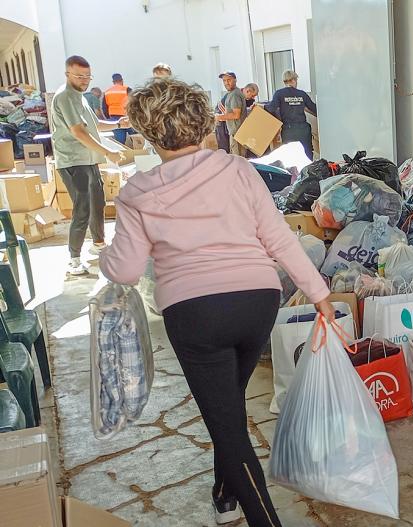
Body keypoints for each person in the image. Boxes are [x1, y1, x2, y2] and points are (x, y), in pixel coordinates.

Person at [99, 77, 335, 527]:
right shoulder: (238, 170)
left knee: (227, 426)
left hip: (195, 314)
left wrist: (105, 260)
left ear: (147, 133)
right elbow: (281, 240)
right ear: (203, 122)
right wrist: (320, 295)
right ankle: (224, 495)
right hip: (256, 301)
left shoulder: (138, 192)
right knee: (228, 404)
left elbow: (125, 270)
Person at [50, 56, 128, 276]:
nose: (84, 80)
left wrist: (119, 122)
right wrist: (108, 152)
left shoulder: (81, 97)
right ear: (67, 74)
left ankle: (99, 243)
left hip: (89, 159)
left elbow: (94, 125)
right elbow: (78, 131)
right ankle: (74, 259)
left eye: (87, 76)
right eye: (79, 76)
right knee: (82, 208)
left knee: (98, 203)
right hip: (73, 161)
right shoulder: (65, 97)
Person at [265, 70, 317, 160]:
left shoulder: (279, 94)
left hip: (288, 131)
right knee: (307, 155)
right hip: (303, 130)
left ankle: (294, 174)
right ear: (293, 80)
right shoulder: (302, 94)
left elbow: (271, 108)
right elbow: (315, 109)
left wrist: (262, 106)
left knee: (290, 157)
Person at [215, 71, 247, 156]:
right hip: (236, 133)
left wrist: (219, 117)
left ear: (235, 80)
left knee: (238, 159)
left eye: (229, 80)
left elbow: (236, 115)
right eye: (224, 81)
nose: (226, 83)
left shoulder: (234, 95)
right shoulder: (232, 93)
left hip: (237, 133)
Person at [103, 73, 133, 144]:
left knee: (119, 142)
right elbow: (135, 104)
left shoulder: (107, 92)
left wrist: (109, 118)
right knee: (136, 139)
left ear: (113, 82)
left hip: (114, 118)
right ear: (122, 80)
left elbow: (104, 108)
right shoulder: (127, 89)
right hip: (128, 117)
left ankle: (122, 154)